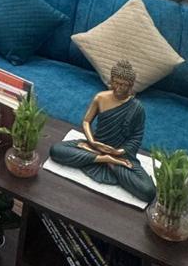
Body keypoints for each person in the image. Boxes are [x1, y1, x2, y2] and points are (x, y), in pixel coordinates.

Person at [49, 59, 156, 202]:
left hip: (119, 156)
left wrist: (119, 152)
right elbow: (86, 121)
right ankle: (103, 159)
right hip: (95, 147)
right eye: (115, 83)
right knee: (56, 150)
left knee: (148, 191)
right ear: (111, 80)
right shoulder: (100, 98)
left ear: (131, 85)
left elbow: (136, 136)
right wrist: (93, 142)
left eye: (123, 85)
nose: (118, 88)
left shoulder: (137, 108)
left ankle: (109, 162)